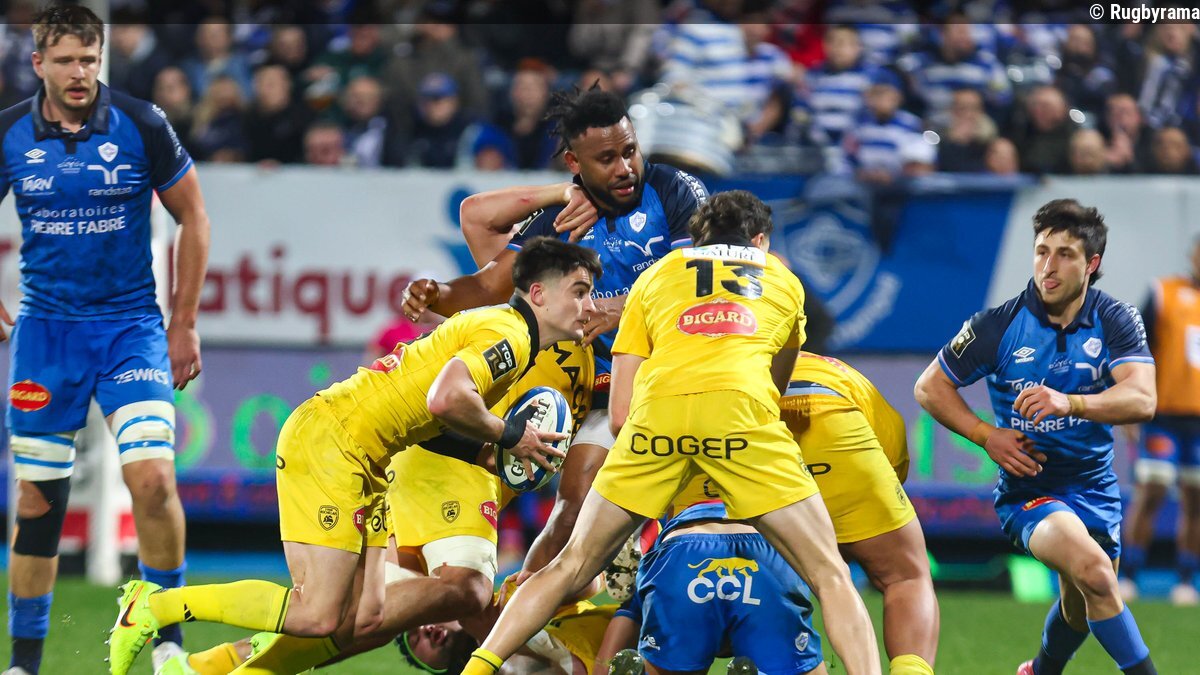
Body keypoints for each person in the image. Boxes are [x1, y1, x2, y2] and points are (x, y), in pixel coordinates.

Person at [108, 238, 602, 675]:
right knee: (316, 614)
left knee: (365, 617)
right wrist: (510, 435)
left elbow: (434, 402)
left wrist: (491, 444)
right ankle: (155, 606)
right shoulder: (511, 335)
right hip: (335, 442)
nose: (588, 306)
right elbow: (446, 398)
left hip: (373, 460)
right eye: (578, 292)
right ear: (538, 294)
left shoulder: (505, 330)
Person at [457, 191, 881, 675]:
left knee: (571, 564)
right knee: (830, 574)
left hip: (657, 418)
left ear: (694, 239)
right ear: (760, 240)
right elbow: (775, 387)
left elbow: (620, 416)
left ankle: (479, 668)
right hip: (742, 414)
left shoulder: (655, 275)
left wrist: (657, 472)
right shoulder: (783, 278)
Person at [401, 85, 709, 584]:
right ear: (574, 163)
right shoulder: (560, 221)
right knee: (572, 508)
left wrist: (622, 310)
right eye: (606, 159)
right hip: (594, 394)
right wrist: (436, 293)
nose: (624, 168)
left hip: (668, 380)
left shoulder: (674, 191)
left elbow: (697, 284)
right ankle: (518, 609)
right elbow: (487, 285)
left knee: (674, 516)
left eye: (629, 151)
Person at [157, 339, 595, 674]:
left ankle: (201, 662)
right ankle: (171, 621)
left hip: (416, 461)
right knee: (463, 592)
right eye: (443, 640)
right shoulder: (521, 328)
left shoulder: (584, 364)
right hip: (446, 460)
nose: (432, 632)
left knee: (362, 617)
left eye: (423, 639)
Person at [1, 6, 209, 674]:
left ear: (101, 60)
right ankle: (24, 662)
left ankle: (169, 644)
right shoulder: (9, 133)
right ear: (39, 63)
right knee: (38, 503)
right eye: (65, 60)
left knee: (153, 480)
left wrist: (183, 322)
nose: (79, 72)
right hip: (46, 338)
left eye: (89, 59)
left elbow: (194, 216)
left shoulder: (141, 123)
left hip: (130, 331)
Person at [914, 199, 1158, 675]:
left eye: (1065, 254)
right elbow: (929, 387)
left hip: (1095, 487)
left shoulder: (1116, 319)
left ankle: (1040, 671)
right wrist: (986, 435)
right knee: (1096, 575)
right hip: (1031, 490)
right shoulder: (997, 325)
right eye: (1042, 251)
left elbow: (1143, 399)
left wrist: (1072, 402)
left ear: (1092, 264)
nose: (1049, 266)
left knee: (1079, 608)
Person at [784, 352, 937, 675]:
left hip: (738, 424)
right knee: (904, 576)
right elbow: (892, 459)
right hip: (831, 416)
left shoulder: (707, 363)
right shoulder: (833, 369)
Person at [598, 484, 828, 675]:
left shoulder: (666, 464)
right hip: (763, 544)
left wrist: (602, 665)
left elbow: (628, 614)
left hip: (684, 546)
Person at [1120, 237, 1200, 606]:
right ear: (1192, 255)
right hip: (1163, 415)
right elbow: (1135, 350)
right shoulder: (1164, 293)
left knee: (1195, 499)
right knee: (1151, 490)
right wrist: (1129, 403)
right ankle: (1128, 574)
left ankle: (1185, 579)